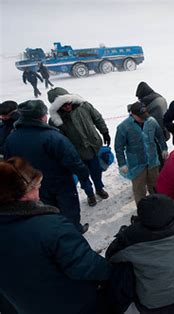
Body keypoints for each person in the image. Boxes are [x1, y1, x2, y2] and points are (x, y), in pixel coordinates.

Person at [0, 157, 111, 314]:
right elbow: (87, 266)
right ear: (21, 193)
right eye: (36, 186)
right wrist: (112, 271)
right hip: (75, 305)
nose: (39, 190)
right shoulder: (51, 228)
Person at [106, 194, 174, 314]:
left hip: (149, 307)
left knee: (124, 267)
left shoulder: (130, 237)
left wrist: (124, 235)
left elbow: (111, 256)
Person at [4, 100, 90, 233]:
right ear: (42, 117)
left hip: (32, 186)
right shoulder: (53, 137)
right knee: (69, 210)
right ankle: (74, 232)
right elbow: (72, 159)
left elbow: (9, 164)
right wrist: (83, 174)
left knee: (46, 212)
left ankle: (54, 233)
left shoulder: (11, 139)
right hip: (60, 183)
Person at [48, 87, 111, 207]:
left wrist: (105, 132)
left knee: (96, 171)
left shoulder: (84, 106)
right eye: (63, 105)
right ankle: (90, 195)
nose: (67, 106)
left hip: (93, 147)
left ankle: (99, 188)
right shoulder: (55, 121)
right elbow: (58, 140)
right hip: (76, 154)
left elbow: (97, 118)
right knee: (83, 176)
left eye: (68, 103)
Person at [115, 102, 168, 205]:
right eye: (140, 116)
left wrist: (164, 148)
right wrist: (122, 163)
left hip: (152, 161)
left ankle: (158, 205)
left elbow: (160, 136)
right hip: (136, 164)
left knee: (155, 185)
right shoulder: (123, 127)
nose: (144, 118)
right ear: (133, 114)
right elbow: (119, 147)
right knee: (139, 189)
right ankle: (143, 209)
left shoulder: (151, 121)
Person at [136, 81, 170, 167]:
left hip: (155, 132)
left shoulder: (149, 102)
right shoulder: (158, 97)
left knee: (157, 153)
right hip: (164, 128)